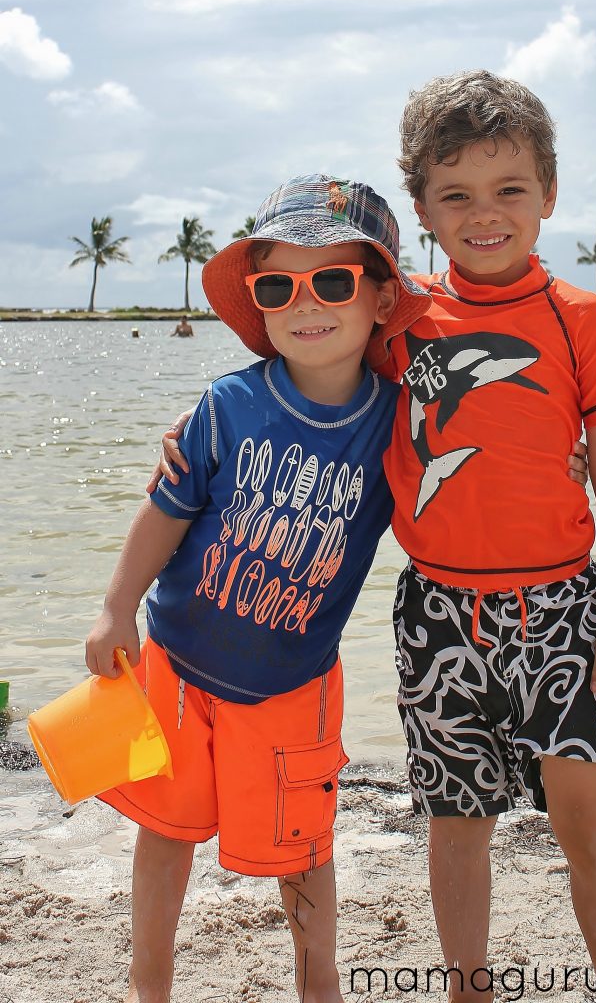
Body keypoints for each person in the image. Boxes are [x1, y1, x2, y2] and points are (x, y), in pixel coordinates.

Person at [84, 173, 433, 1003]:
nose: (304, 303)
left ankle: (319, 980)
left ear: (382, 299)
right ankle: (149, 983)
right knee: (164, 834)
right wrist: (114, 604)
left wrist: (561, 466)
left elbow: (468, 485)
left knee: (304, 850)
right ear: (259, 301)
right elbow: (167, 511)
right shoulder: (227, 405)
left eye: (334, 281)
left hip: (293, 685)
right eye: (278, 285)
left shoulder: (396, 424)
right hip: (176, 662)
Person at [382, 70, 596, 1003]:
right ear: (421, 205)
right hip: (439, 612)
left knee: (591, 814)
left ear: (549, 196)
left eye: (509, 190)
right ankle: (469, 987)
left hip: (566, 607)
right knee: (457, 821)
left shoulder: (582, 319)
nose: (483, 214)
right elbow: (306, 375)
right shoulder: (399, 321)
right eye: (455, 194)